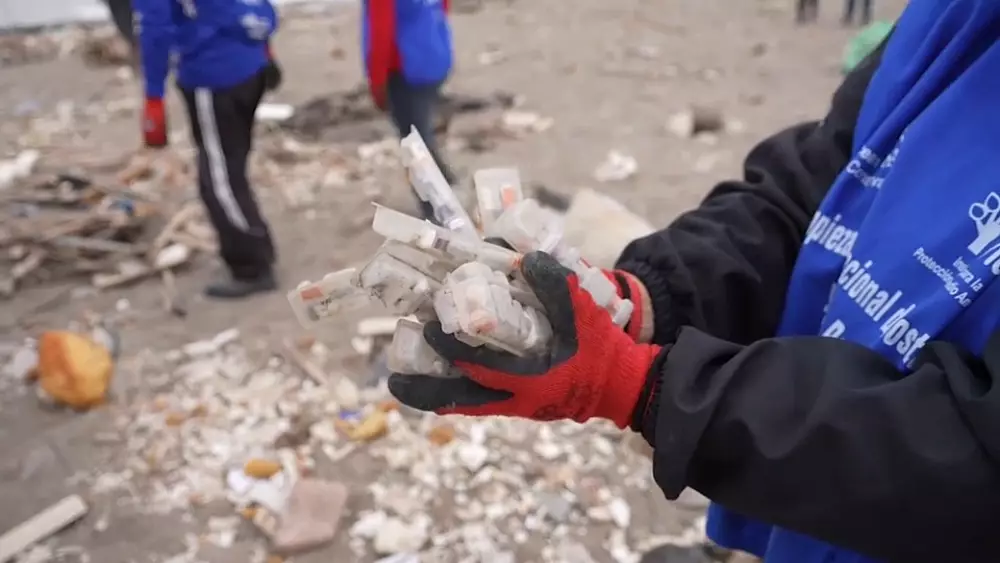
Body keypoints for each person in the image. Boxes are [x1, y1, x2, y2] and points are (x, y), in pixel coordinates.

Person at [386, 1, 1000, 562]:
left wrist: (645, 386)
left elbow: (976, 460)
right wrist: (644, 297)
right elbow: (812, 189)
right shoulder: (954, 18)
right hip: (812, 525)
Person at [134, 0, 284, 298]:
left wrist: (153, 95)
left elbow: (155, 28)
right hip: (247, 65)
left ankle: (252, 265)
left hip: (213, 75)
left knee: (218, 179)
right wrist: (265, 47)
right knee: (232, 169)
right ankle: (257, 248)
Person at [362, 0, 455, 220]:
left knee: (414, 144)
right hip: (435, 54)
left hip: (406, 68)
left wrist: (377, 84)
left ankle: (439, 210)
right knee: (422, 136)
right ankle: (447, 191)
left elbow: (381, 31)